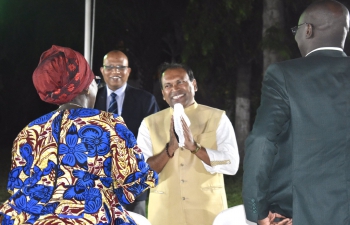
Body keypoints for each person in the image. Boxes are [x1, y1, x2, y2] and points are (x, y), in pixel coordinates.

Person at [0, 45, 158, 224]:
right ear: (85, 87)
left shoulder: (28, 133)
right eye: (94, 80)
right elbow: (134, 183)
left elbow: (17, 189)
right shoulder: (109, 124)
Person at [242, 1, 350, 225]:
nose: (296, 37)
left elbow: (262, 140)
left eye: (297, 30)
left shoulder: (284, 75)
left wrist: (258, 211)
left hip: (300, 215)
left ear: (308, 30)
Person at [137, 62, 240, 225]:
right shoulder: (149, 124)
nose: (175, 89)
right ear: (163, 94)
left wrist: (195, 147)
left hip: (208, 212)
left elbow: (232, 164)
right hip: (165, 213)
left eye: (180, 82)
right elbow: (140, 174)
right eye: (168, 85)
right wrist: (169, 149)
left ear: (194, 85)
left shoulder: (218, 118)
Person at [94, 50, 159, 216]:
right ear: (102, 70)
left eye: (120, 67)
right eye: (110, 67)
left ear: (128, 71)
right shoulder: (91, 100)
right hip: (97, 187)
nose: (115, 72)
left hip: (134, 186)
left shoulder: (146, 100)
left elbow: (154, 141)